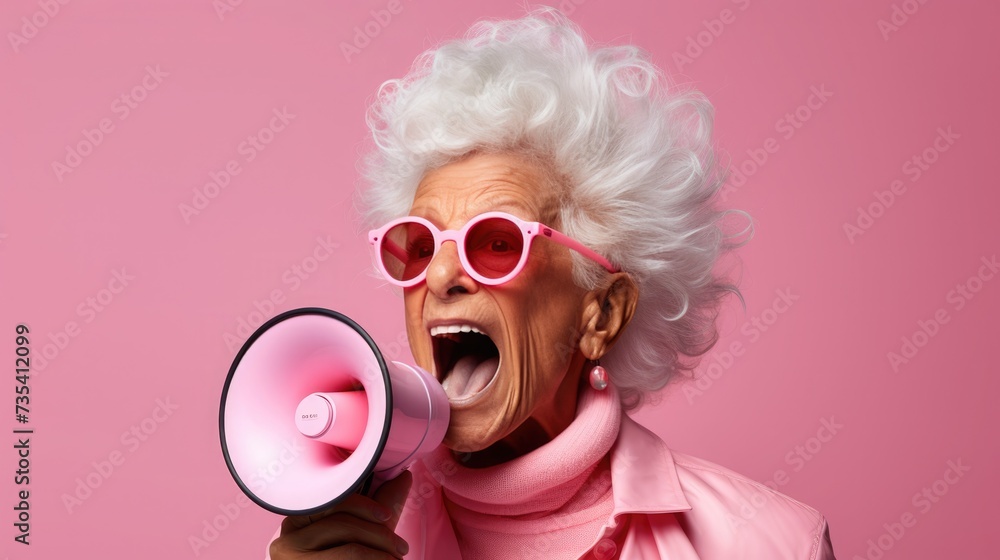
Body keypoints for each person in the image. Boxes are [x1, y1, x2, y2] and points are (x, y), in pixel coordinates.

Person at [268, 7, 836, 559]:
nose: (439, 276)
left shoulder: (775, 543)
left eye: (496, 243)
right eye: (419, 246)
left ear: (603, 314)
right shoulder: (334, 540)